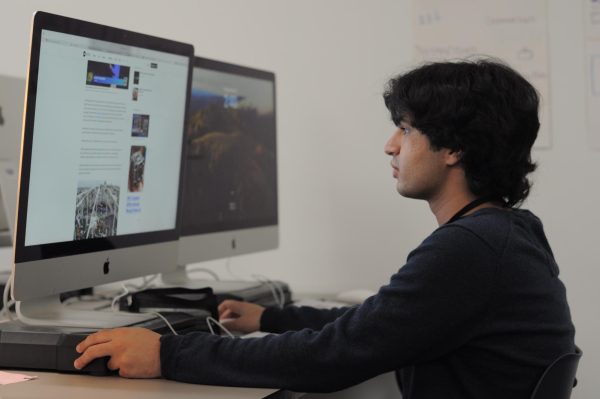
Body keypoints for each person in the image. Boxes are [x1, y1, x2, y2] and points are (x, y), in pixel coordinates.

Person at [74, 59, 575, 399]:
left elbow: (332, 357)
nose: (390, 146)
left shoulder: (469, 251)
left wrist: (167, 353)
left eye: (405, 129)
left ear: (454, 149)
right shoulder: (507, 233)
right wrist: (269, 319)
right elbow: (378, 325)